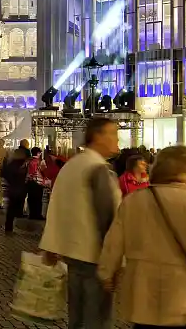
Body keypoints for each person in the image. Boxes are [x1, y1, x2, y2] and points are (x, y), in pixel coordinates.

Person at [99, 145, 186, 328]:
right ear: (183, 170)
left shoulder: (134, 200)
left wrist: (107, 273)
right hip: (183, 300)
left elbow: (113, 243)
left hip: (142, 297)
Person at [40, 117, 121, 329]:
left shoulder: (72, 165)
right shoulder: (97, 168)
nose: (117, 139)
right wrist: (115, 262)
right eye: (112, 133)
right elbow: (108, 218)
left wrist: (51, 245)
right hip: (96, 257)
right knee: (97, 321)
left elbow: (56, 206)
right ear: (98, 136)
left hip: (73, 253)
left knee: (77, 318)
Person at [2, 147, 29, 233]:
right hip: (19, 188)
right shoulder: (22, 164)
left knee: (11, 208)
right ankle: (11, 225)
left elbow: (4, 173)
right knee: (14, 207)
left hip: (13, 188)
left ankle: (9, 226)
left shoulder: (11, 164)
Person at [25, 147, 46, 219]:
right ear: (38, 153)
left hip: (30, 182)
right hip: (38, 182)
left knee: (31, 198)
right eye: (40, 153)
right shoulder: (41, 161)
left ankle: (31, 214)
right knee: (38, 199)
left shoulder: (28, 161)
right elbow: (44, 171)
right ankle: (38, 214)